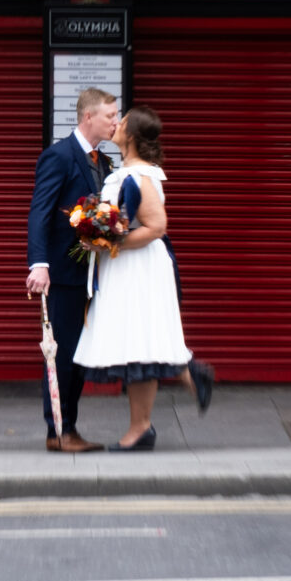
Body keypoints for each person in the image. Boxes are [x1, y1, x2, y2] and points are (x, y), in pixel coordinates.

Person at [73, 105, 213, 451]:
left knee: (139, 344)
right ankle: (174, 388)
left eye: (121, 122)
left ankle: (142, 428)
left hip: (138, 270)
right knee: (137, 344)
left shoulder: (139, 176)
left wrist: (109, 242)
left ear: (131, 135)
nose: (116, 124)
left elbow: (157, 227)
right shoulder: (130, 172)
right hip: (129, 268)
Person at [26, 87, 119, 452]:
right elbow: (41, 211)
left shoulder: (105, 162)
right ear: (88, 118)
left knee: (80, 355)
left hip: (92, 276)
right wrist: (39, 264)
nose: (115, 121)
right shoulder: (58, 156)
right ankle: (58, 431)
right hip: (63, 274)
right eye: (110, 116)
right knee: (62, 354)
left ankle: (70, 428)